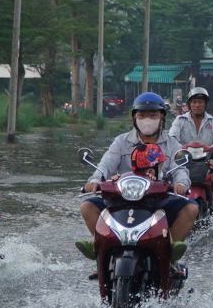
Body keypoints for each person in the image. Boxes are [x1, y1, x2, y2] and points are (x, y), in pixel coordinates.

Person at [77, 92, 198, 263]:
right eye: (142, 115)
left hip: (158, 199)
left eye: (153, 115)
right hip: (120, 198)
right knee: (87, 206)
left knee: (191, 208)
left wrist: (181, 184)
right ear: (134, 118)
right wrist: (95, 180)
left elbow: (181, 170)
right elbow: (105, 165)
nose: (147, 120)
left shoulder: (172, 144)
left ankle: (169, 252)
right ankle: (100, 246)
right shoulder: (121, 141)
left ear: (162, 117)